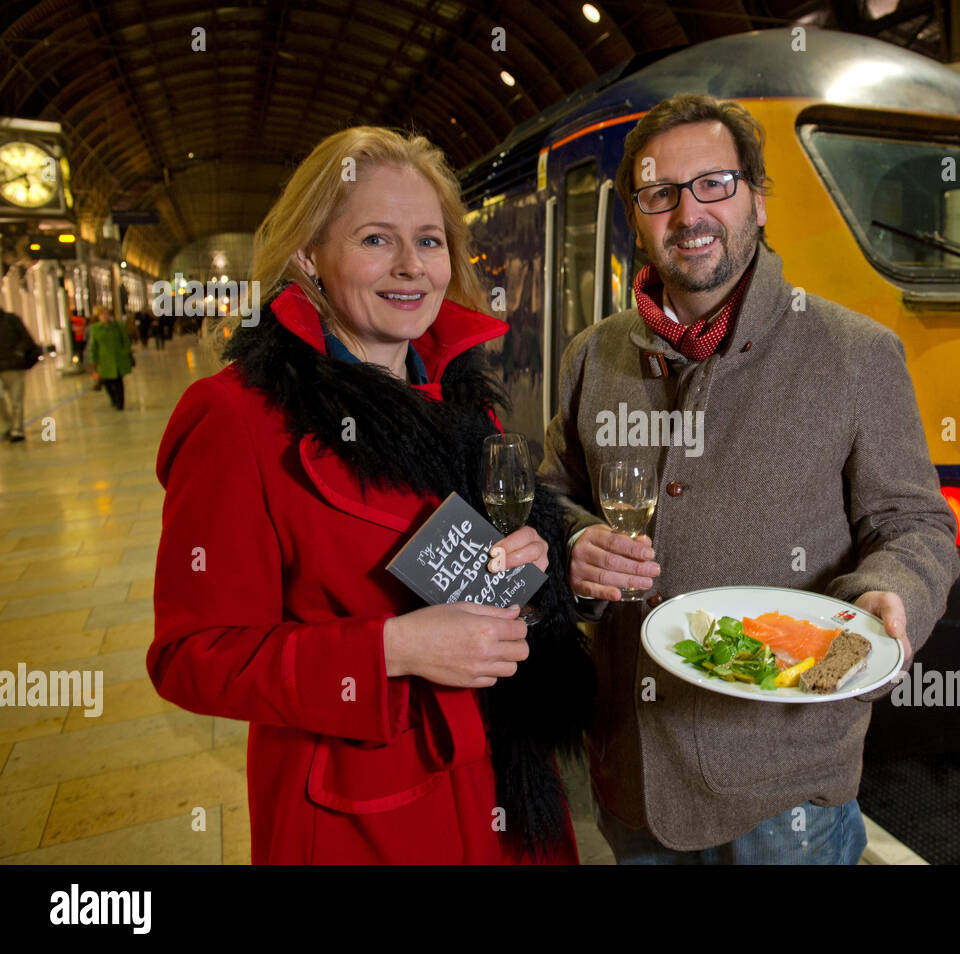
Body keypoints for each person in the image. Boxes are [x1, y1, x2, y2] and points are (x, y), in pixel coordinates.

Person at [148, 126, 593, 864]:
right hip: (366, 817)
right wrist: (390, 648)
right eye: (376, 240)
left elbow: (484, 571)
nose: (412, 267)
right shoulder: (236, 417)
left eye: (430, 240)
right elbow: (191, 656)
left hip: (507, 787)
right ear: (306, 256)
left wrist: (532, 565)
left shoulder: (461, 400)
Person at [538, 94, 960, 864]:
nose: (688, 213)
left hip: (782, 784)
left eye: (715, 185)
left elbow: (914, 523)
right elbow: (552, 496)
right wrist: (572, 541)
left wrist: (895, 590)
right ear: (637, 218)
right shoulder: (590, 356)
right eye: (660, 193)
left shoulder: (853, 353)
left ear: (759, 202)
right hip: (631, 768)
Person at [0, 306, 39, 441]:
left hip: (14, 367)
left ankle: (17, 430)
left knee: (16, 400)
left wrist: (18, 353)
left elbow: (26, 339)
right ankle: (6, 426)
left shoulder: (11, 320)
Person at [85, 305, 132, 410]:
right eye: (102, 314)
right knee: (107, 383)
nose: (105, 316)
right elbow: (93, 346)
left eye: (106, 314)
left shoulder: (117, 326)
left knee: (118, 382)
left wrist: (126, 352)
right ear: (98, 317)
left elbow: (125, 340)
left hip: (117, 359)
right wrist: (93, 361)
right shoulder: (95, 329)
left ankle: (120, 403)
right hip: (104, 360)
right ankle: (113, 399)